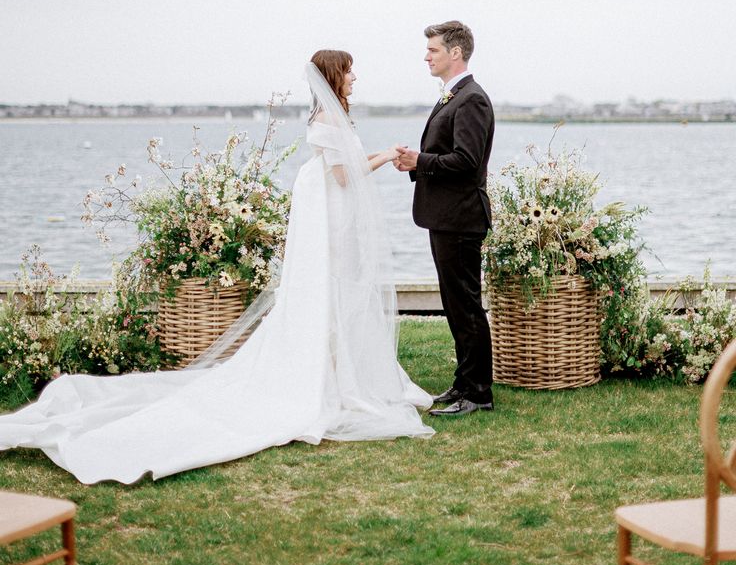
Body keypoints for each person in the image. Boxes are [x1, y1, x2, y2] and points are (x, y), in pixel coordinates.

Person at [0, 51, 433, 484]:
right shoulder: (325, 122)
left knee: (340, 294)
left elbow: (342, 165)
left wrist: (380, 153)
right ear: (335, 75)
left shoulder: (333, 117)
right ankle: (332, 379)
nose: (356, 76)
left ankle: (341, 372)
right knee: (332, 291)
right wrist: (383, 159)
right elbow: (343, 175)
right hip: (333, 220)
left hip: (335, 217)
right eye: (351, 70)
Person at [395, 22, 495, 417]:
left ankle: (479, 392)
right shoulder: (453, 96)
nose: (427, 56)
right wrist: (416, 165)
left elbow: (467, 162)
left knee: (466, 306)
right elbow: (447, 155)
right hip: (447, 216)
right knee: (455, 305)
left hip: (461, 218)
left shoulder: (471, 99)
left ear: (455, 52)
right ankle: (463, 383)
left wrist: (420, 161)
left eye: (433, 49)